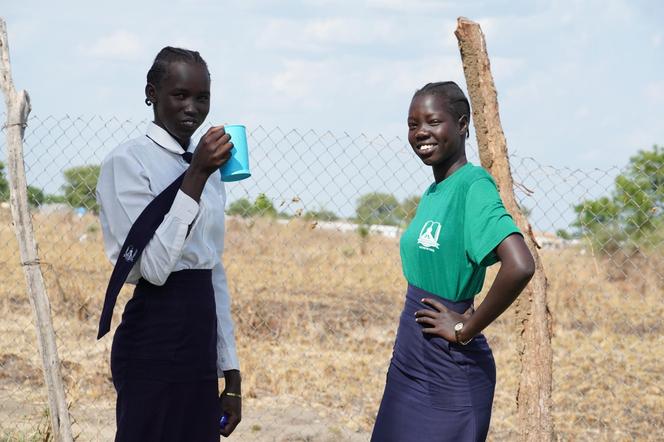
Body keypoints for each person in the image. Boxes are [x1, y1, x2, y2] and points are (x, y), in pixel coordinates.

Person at [371, 81, 535, 442]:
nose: (420, 133)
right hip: (409, 363)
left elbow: (520, 264)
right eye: (413, 124)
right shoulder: (434, 192)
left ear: (462, 125)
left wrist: (466, 328)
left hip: (449, 371)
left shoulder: (473, 185)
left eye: (432, 121)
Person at [96, 47, 242, 441]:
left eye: (202, 97)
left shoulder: (206, 168)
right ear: (152, 93)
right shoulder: (127, 163)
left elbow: (212, 269)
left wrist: (231, 373)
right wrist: (194, 176)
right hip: (153, 339)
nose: (192, 107)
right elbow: (155, 269)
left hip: (199, 338)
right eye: (180, 95)